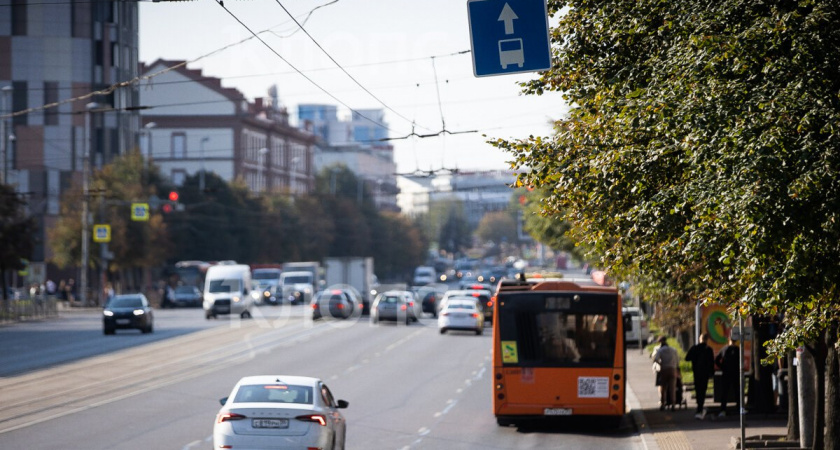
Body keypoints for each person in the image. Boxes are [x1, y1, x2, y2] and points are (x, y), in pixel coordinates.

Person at [686, 332, 715, 419]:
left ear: (700, 339)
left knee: (698, 390)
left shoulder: (695, 348)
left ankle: (699, 407)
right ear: (707, 340)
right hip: (705, 373)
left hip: (696, 372)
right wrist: (711, 373)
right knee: (703, 390)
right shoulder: (708, 349)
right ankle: (700, 407)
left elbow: (687, 358)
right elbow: (711, 362)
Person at [715, 337, 741, 417]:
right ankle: (739, 408)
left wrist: (722, 367)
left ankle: (723, 409)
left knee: (725, 392)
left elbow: (717, 360)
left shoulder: (724, 349)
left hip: (726, 373)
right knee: (737, 391)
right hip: (735, 373)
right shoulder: (737, 349)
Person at [653, 335, 679, 410]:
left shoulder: (660, 350)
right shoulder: (673, 350)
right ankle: (673, 404)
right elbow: (677, 360)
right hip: (672, 369)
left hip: (664, 369)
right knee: (672, 388)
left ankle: (663, 403)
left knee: (663, 387)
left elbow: (656, 359)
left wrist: (661, 364)